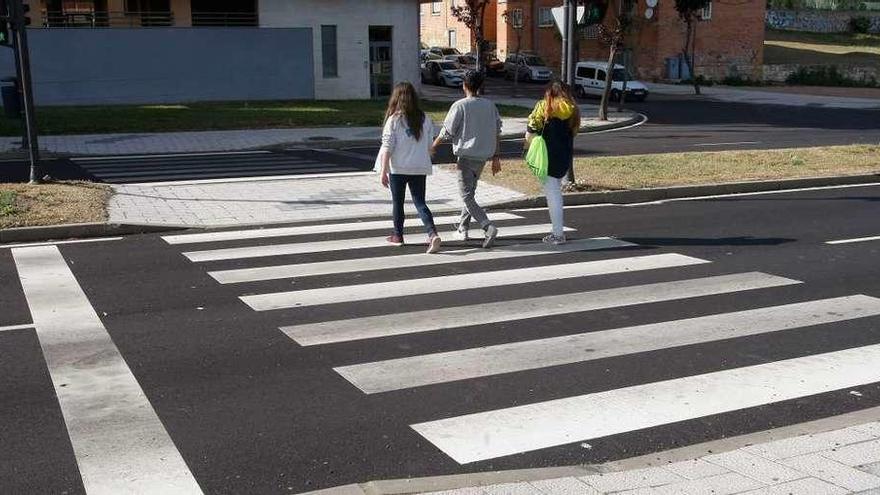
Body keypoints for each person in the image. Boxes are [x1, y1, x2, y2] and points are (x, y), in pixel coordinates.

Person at [432, 70, 502, 249]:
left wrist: (433, 146)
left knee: (466, 196)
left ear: (464, 85)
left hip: (465, 157)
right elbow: (497, 132)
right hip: (483, 157)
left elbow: (447, 131)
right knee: (469, 194)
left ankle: (488, 226)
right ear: (480, 86)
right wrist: (496, 157)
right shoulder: (490, 105)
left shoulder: (460, 105)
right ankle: (463, 227)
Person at [378, 81, 441, 254]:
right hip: (420, 167)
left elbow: (387, 147)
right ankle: (432, 233)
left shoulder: (394, 120)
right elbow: (430, 145)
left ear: (396, 98)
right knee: (420, 202)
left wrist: (383, 171)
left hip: (398, 168)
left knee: (398, 203)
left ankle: (398, 236)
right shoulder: (425, 119)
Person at [525, 80, 581, 245]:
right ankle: (557, 232)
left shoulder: (543, 107)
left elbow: (529, 133)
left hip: (546, 156)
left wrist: (530, 145)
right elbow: (574, 132)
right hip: (564, 156)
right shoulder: (573, 110)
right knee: (556, 191)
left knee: (553, 195)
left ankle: (558, 233)